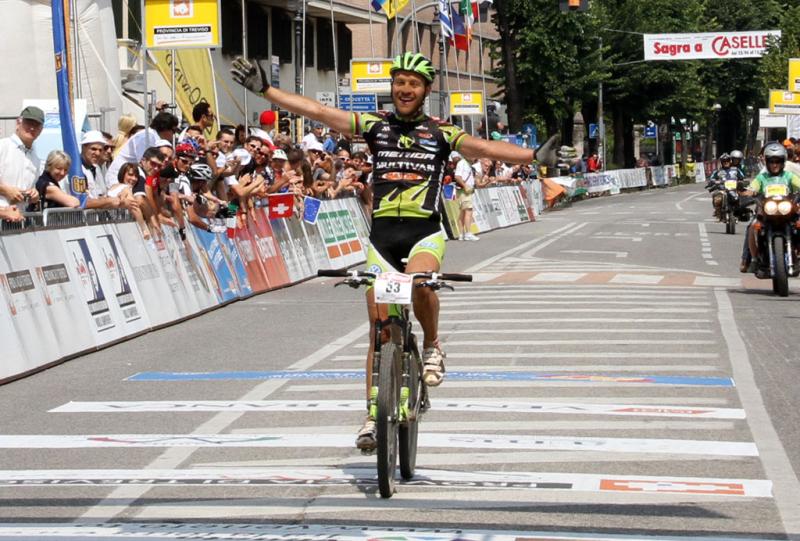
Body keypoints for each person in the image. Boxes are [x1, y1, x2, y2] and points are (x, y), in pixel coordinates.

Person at [231, 51, 553, 451]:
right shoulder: (373, 126)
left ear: (425, 91)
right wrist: (266, 90)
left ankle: (433, 345)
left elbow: (483, 148)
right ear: (393, 87)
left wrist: (532, 156)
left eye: (413, 84)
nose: (405, 89)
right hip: (382, 239)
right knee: (379, 330)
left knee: (420, 285)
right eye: (399, 82)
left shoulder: (441, 132)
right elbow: (317, 109)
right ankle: (371, 414)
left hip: (423, 234)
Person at [739, 142, 800, 275]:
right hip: (766, 212)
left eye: (778, 161)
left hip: (786, 211)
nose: (774, 164)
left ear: (783, 162)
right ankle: (750, 259)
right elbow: (752, 188)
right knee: (752, 227)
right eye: (771, 161)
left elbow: (799, 185)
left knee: (799, 223)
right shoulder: (762, 177)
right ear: (766, 162)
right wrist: (746, 192)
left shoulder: (789, 176)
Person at [107, 112, 179, 185]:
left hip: (132, 174)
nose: (174, 134)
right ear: (165, 128)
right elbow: (145, 165)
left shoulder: (152, 136)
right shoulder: (147, 137)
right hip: (120, 176)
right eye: (173, 131)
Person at [0, 106, 43, 209]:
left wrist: (34, 194)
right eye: (28, 123)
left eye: (36, 125)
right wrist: (5, 190)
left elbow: (31, 188)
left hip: (20, 219)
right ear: (18, 123)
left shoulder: (35, 159)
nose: (32, 128)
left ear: (41, 130)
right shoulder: (2, 146)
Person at [707, 153, 744, 219]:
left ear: (730, 161)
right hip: (722, 189)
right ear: (721, 162)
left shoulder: (736, 169)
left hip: (734, 189)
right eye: (724, 161)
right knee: (716, 198)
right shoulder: (718, 171)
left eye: (727, 160)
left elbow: (742, 177)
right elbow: (711, 178)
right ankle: (717, 211)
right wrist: (714, 181)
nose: (726, 162)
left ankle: (740, 211)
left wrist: (741, 182)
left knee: (743, 198)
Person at [452, 151, 479, 241]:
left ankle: (461, 234)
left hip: (467, 190)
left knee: (463, 212)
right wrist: (465, 185)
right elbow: (457, 176)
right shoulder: (462, 163)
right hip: (464, 191)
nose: (474, 157)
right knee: (468, 211)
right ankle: (468, 233)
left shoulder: (468, 164)